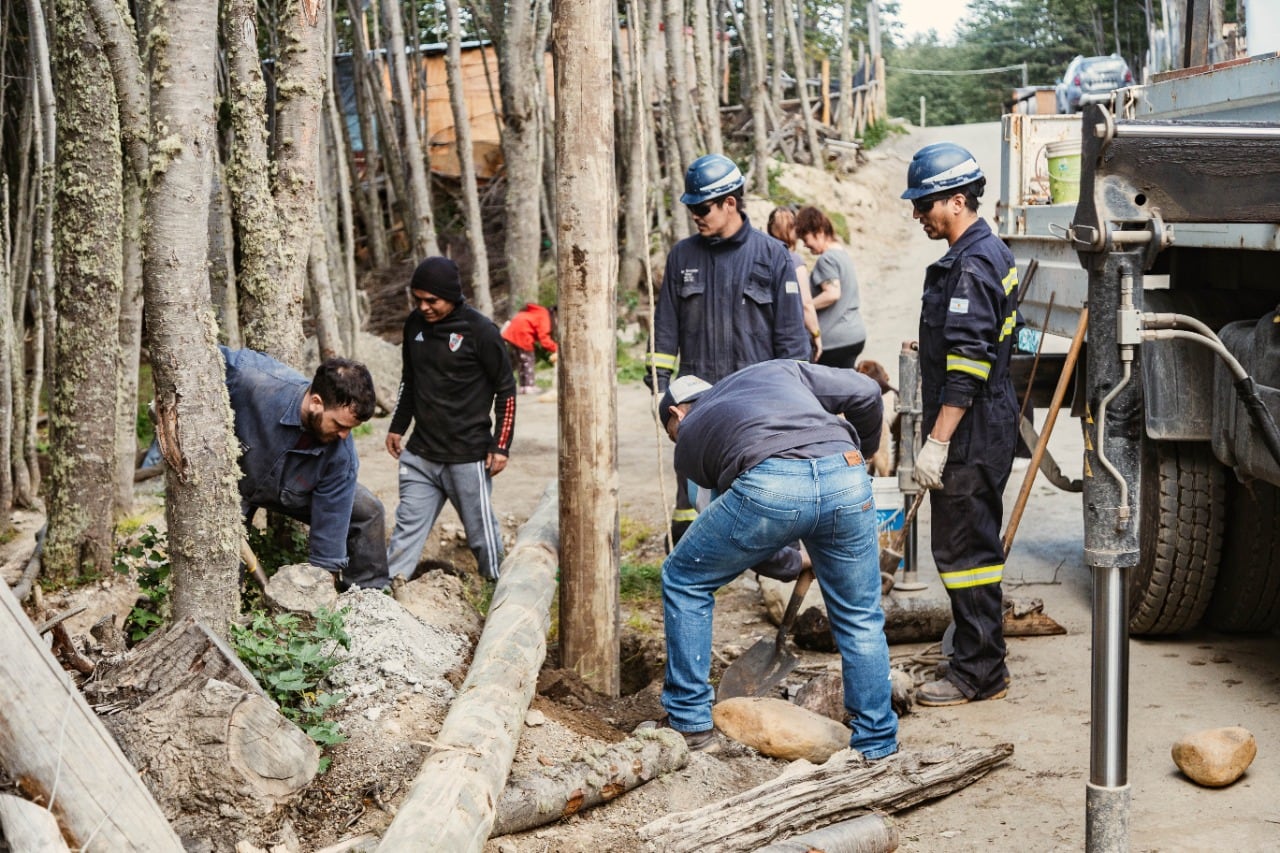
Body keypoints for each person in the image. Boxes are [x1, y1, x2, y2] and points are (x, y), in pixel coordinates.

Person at [656, 361, 898, 758]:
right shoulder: (776, 371)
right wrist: (864, 454)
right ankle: (877, 746)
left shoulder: (690, 444)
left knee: (685, 578)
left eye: (671, 434)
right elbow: (869, 392)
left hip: (771, 484)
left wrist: (788, 562)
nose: (676, 441)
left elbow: (741, 539)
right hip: (849, 475)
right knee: (860, 616)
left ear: (676, 414)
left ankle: (689, 721)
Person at [901, 142, 1018, 707]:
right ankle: (979, 656)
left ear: (955, 200)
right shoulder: (989, 251)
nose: (919, 215)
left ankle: (979, 672)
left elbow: (968, 365)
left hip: (970, 429)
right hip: (987, 421)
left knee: (967, 554)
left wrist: (937, 443)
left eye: (925, 204)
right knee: (973, 545)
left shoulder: (970, 264)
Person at [645, 153, 811, 544]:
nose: (696, 216)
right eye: (692, 209)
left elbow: (792, 342)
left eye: (703, 208)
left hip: (757, 407)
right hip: (697, 405)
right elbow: (665, 328)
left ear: (730, 203)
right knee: (691, 498)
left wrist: (794, 406)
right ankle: (689, 563)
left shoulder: (773, 256)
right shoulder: (682, 257)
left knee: (758, 492)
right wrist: (659, 388)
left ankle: (772, 568)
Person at [386, 257, 517, 582]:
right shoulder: (414, 325)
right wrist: (398, 426)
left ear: (452, 296)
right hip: (421, 455)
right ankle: (384, 596)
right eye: (417, 299)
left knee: (481, 536)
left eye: (432, 300)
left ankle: (498, 590)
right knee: (406, 530)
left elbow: (507, 390)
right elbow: (409, 380)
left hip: (467, 456)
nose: (424, 307)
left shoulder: (481, 331)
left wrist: (501, 445)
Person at [222, 346, 389, 590]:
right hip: (230, 483)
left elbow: (328, 546)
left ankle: (369, 601)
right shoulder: (250, 377)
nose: (345, 436)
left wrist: (321, 592)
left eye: (351, 429)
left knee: (368, 511)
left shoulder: (341, 457)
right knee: (221, 568)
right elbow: (194, 357)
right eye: (340, 425)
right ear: (316, 402)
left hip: (293, 489)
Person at [794, 206, 867, 369]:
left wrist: (806, 306)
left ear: (819, 232)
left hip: (834, 342)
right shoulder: (842, 255)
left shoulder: (826, 260)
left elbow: (833, 293)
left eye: (806, 239)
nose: (805, 245)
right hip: (854, 335)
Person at [766, 207, 824, 361]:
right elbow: (805, 304)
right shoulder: (794, 261)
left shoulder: (762, 258)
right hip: (793, 341)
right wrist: (816, 334)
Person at [501, 302, 558, 395]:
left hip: (512, 333)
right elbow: (544, 340)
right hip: (521, 334)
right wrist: (558, 349)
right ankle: (529, 386)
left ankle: (523, 386)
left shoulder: (539, 312)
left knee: (522, 361)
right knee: (528, 360)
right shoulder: (545, 316)